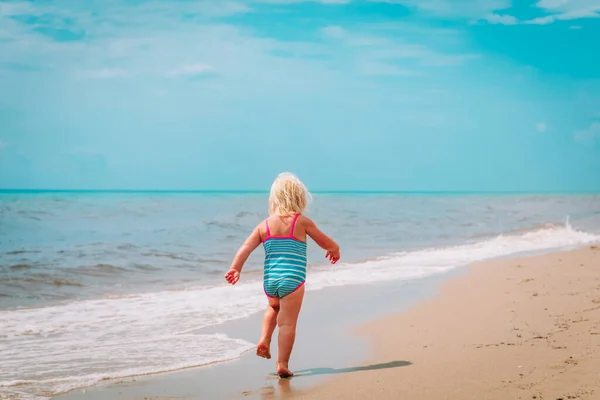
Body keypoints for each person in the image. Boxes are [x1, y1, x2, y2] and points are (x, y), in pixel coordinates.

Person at [225, 172, 340, 378]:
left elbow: (246, 247)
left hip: (270, 280)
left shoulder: (264, 225)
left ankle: (264, 338)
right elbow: (324, 241)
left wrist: (236, 268)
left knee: (272, 307)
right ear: (299, 198)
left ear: (274, 199)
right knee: (287, 324)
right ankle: (282, 363)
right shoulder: (302, 222)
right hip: (293, 279)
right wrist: (334, 248)